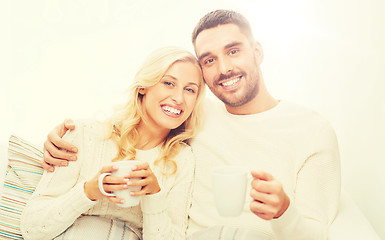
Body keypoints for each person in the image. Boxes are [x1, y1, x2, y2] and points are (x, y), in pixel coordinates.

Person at [41, 10, 341, 240]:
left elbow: (318, 234)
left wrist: (284, 211)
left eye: (233, 51)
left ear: (257, 52)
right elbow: (130, 123)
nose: (224, 69)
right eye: (208, 60)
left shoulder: (312, 132)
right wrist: (62, 137)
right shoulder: (191, 114)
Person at [20, 46, 206, 240]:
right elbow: (31, 229)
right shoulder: (85, 135)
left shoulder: (182, 159)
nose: (178, 98)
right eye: (168, 83)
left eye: (190, 90)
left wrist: (154, 196)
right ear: (143, 86)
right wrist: (90, 191)